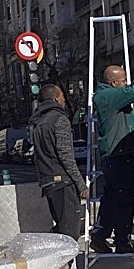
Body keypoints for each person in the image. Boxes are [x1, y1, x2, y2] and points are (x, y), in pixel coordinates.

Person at [89, 64, 134, 253]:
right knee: (123, 199)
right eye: (123, 80)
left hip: (119, 155)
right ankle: (121, 240)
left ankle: (103, 235)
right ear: (113, 83)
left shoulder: (109, 94)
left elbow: (130, 90)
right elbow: (130, 94)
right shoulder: (107, 96)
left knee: (113, 198)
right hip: (120, 155)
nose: (126, 83)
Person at [30, 84, 87, 240]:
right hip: (63, 181)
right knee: (69, 232)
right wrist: (80, 184)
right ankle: (62, 262)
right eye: (62, 96)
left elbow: (38, 156)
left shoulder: (37, 123)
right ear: (56, 98)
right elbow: (65, 155)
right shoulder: (59, 119)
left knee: (62, 228)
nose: (64, 100)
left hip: (48, 182)